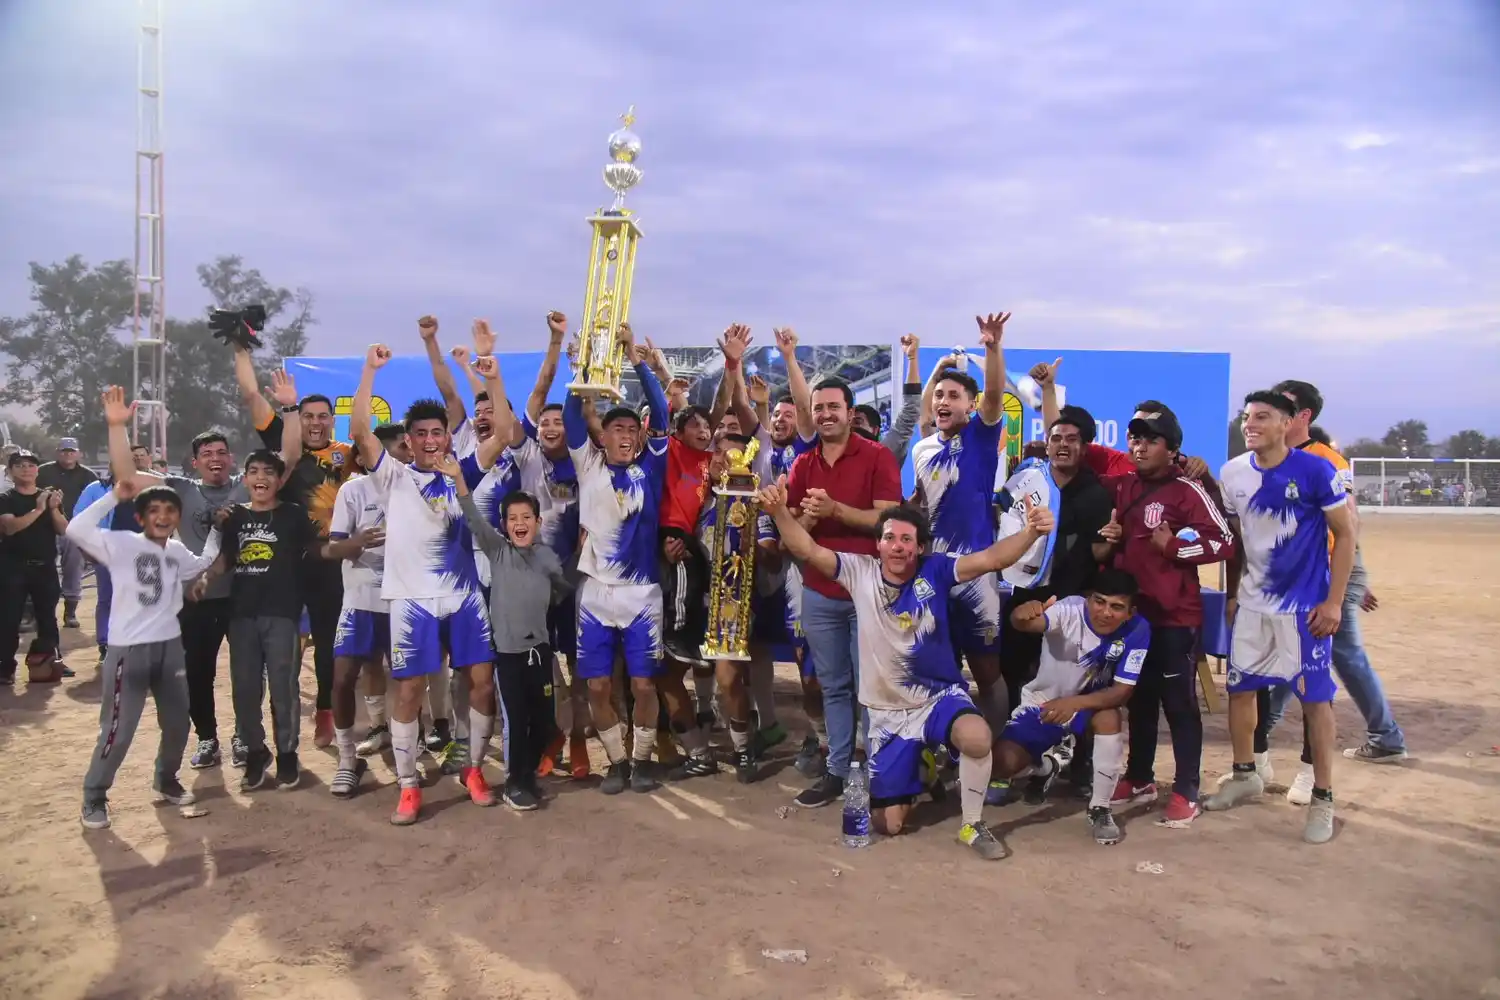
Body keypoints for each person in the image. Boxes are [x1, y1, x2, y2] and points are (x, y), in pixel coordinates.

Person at [762, 484, 1053, 859]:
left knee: (978, 738)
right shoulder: (858, 571)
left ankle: (973, 824)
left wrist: (1030, 532)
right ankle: (925, 767)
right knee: (889, 825)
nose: (898, 546)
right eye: (889, 538)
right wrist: (779, 512)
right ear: (878, 545)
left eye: (906, 539)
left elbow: (991, 559)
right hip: (885, 715)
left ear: (918, 548)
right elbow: (806, 549)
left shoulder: (939, 570)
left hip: (938, 699)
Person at [352, 339, 512, 825]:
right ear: (410, 440)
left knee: (481, 684)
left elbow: (504, 432)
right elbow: (360, 431)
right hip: (412, 601)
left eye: (436, 432)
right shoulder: (393, 477)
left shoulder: (464, 471)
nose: (428, 440)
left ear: (446, 436)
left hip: (463, 598)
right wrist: (369, 369)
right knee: (410, 691)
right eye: (419, 434)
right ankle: (407, 786)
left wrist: (492, 377)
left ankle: (474, 768)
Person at [1203, 391, 1355, 845]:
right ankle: (1245, 774)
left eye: (1262, 417)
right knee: (1242, 691)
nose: (1251, 424)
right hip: (1252, 607)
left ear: (1287, 423)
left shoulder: (1315, 470)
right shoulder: (1234, 474)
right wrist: (1232, 595)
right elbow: (1236, 539)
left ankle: (1323, 798)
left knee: (1315, 701)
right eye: (1247, 417)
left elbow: (1345, 536)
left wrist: (1333, 603)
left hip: (1303, 611)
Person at [1258, 380, 1406, 794]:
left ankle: (1384, 738)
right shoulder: (1267, 459)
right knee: (1296, 661)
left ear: (1302, 416)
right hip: (1295, 578)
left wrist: (1345, 584)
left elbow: (1347, 525)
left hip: (1321, 577)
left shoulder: (1325, 459)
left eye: (1281, 406)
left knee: (1329, 660)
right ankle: (1258, 752)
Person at [1092, 406, 1236, 828]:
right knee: (1138, 698)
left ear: (1172, 449)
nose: (1139, 446)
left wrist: (1173, 548)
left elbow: (1223, 541)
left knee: (1179, 704)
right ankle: (1140, 777)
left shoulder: (1188, 491)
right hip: (1134, 620)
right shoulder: (1121, 487)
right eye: (1135, 438)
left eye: (1150, 440)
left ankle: (1187, 790)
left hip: (1175, 617)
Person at [71, 475, 221, 829]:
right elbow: (77, 529)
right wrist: (114, 497)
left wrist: (216, 530)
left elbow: (203, 562)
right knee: (119, 731)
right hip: (129, 652)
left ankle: (166, 778)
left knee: (177, 724)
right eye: (154, 510)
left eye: (170, 510)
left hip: (170, 648)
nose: (163, 516)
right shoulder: (122, 545)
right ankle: (94, 794)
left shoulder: (176, 551)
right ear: (140, 518)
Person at [784, 371, 904, 807]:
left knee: (872, 688)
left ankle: (881, 776)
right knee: (832, 686)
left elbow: (887, 522)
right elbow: (792, 536)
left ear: (850, 414)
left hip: (869, 591)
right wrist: (810, 520)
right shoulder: (802, 464)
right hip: (818, 592)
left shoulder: (877, 458)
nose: (826, 414)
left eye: (834, 407)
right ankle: (836, 772)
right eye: (819, 408)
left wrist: (836, 509)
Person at [565, 321, 672, 795]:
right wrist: (582, 365)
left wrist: (637, 359)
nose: (626, 434)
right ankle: (616, 761)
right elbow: (571, 414)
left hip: (642, 594)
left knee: (645, 686)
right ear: (603, 437)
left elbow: (665, 415)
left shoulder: (652, 464)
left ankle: (643, 759)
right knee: (597, 687)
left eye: (633, 428)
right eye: (617, 428)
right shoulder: (586, 463)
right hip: (594, 594)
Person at [233, 339, 355, 750]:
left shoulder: (346, 455)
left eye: (323, 417)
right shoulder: (283, 445)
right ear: (298, 418)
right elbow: (251, 394)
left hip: (329, 563)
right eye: (308, 416)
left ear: (332, 421)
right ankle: (272, 723)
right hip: (283, 562)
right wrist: (241, 349)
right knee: (282, 648)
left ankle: (325, 714)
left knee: (327, 644)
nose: (316, 423)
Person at [992, 400, 1114, 800]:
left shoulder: (1097, 494)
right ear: (1046, 443)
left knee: (1072, 683)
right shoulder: (1026, 480)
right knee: (1014, 676)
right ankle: (1018, 754)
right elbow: (999, 518)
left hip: (1071, 603)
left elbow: (1098, 555)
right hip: (1023, 596)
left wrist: (1112, 541)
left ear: (1085, 447)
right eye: (1055, 437)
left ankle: (1076, 765)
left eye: (1071, 439)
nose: (1062, 444)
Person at [909, 313, 1012, 750]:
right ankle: (944, 753)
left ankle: (1000, 750)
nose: (944, 401)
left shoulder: (983, 437)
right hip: (934, 575)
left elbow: (993, 392)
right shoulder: (921, 449)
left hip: (978, 577)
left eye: (954, 395)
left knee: (987, 672)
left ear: (971, 405)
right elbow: (921, 502)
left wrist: (991, 347)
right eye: (939, 395)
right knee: (937, 672)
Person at [998, 570, 1150, 846]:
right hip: (1043, 704)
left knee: (1109, 717)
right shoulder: (1068, 608)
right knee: (1002, 765)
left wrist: (1074, 703)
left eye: (1116, 607)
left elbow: (1121, 692)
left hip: (1087, 707)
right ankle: (1047, 766)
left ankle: (1100, 809)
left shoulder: (1139, 629)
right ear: (1087, 599)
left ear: (1130, 612)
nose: (1105, 612)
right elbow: (1025, 623)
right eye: (1099, 601)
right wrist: (1023, 613)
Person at [452, 473, 571, 810]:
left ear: (537, 521)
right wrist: (460, 481)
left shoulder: (548, 557)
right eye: (512, 518)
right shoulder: (499, 552)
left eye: (526, 517)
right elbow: (473, 518)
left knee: (543, 720)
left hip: (541, 651)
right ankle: (513, 783)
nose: (520, 523)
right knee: (516, 722)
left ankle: (528, 776)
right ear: (503, 525)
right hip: (509, 655)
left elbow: (562, 589)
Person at [510, 311, 588, 778]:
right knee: (540, 667)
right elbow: (538, 393)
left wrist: (584, 371)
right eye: (546, 421)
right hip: (534, 579)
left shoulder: (585, 459)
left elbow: (587, 413)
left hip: (577, 579)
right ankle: (552, 736)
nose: (551, 425)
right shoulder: (527, 454)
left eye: (560, 420)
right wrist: (556, 342)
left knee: (580, 668)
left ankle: (578, 740)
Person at [323, 422, 410, 798]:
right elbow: (334, 548)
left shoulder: (412, 485)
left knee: (408, 678)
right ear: (363, 457)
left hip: (403, 598)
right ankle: (347, 759)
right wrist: (356, 543)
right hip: (359, 600)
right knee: (343, 677)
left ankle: (408, 753)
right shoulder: (351, 491)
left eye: (398, 451)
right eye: (388, 451)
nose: (395, 458)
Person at [73, 442, 152, 667]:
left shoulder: (149, 488)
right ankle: (106, 644)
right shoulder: (95, 489)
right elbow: (79, 519)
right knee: (108, 599)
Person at [1, 450, 70, 683]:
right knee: (9, 619)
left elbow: (63, 529)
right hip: (13, 568)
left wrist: (52, 508)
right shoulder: (6, 498)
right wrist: (39, 509)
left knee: (48, 617)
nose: (26, 469)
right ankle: (5, 668)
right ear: (10, 472)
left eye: (31, 465)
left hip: (45, 567)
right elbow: (10, 527)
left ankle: (50, 662)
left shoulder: (48, 498)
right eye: (19, 465)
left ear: (37, 470)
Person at [37, 436, 98, 629]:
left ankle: (70, 611)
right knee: (40, 568)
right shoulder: (42, 471)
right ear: (58, 452)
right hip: (44, 527)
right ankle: (36, 613)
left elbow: (96, 502)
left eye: (71, 451)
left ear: (78, 453)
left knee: (74, 567)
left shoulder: (88, 476)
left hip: (74, 529)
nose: (68, 455)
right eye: (64, 451)